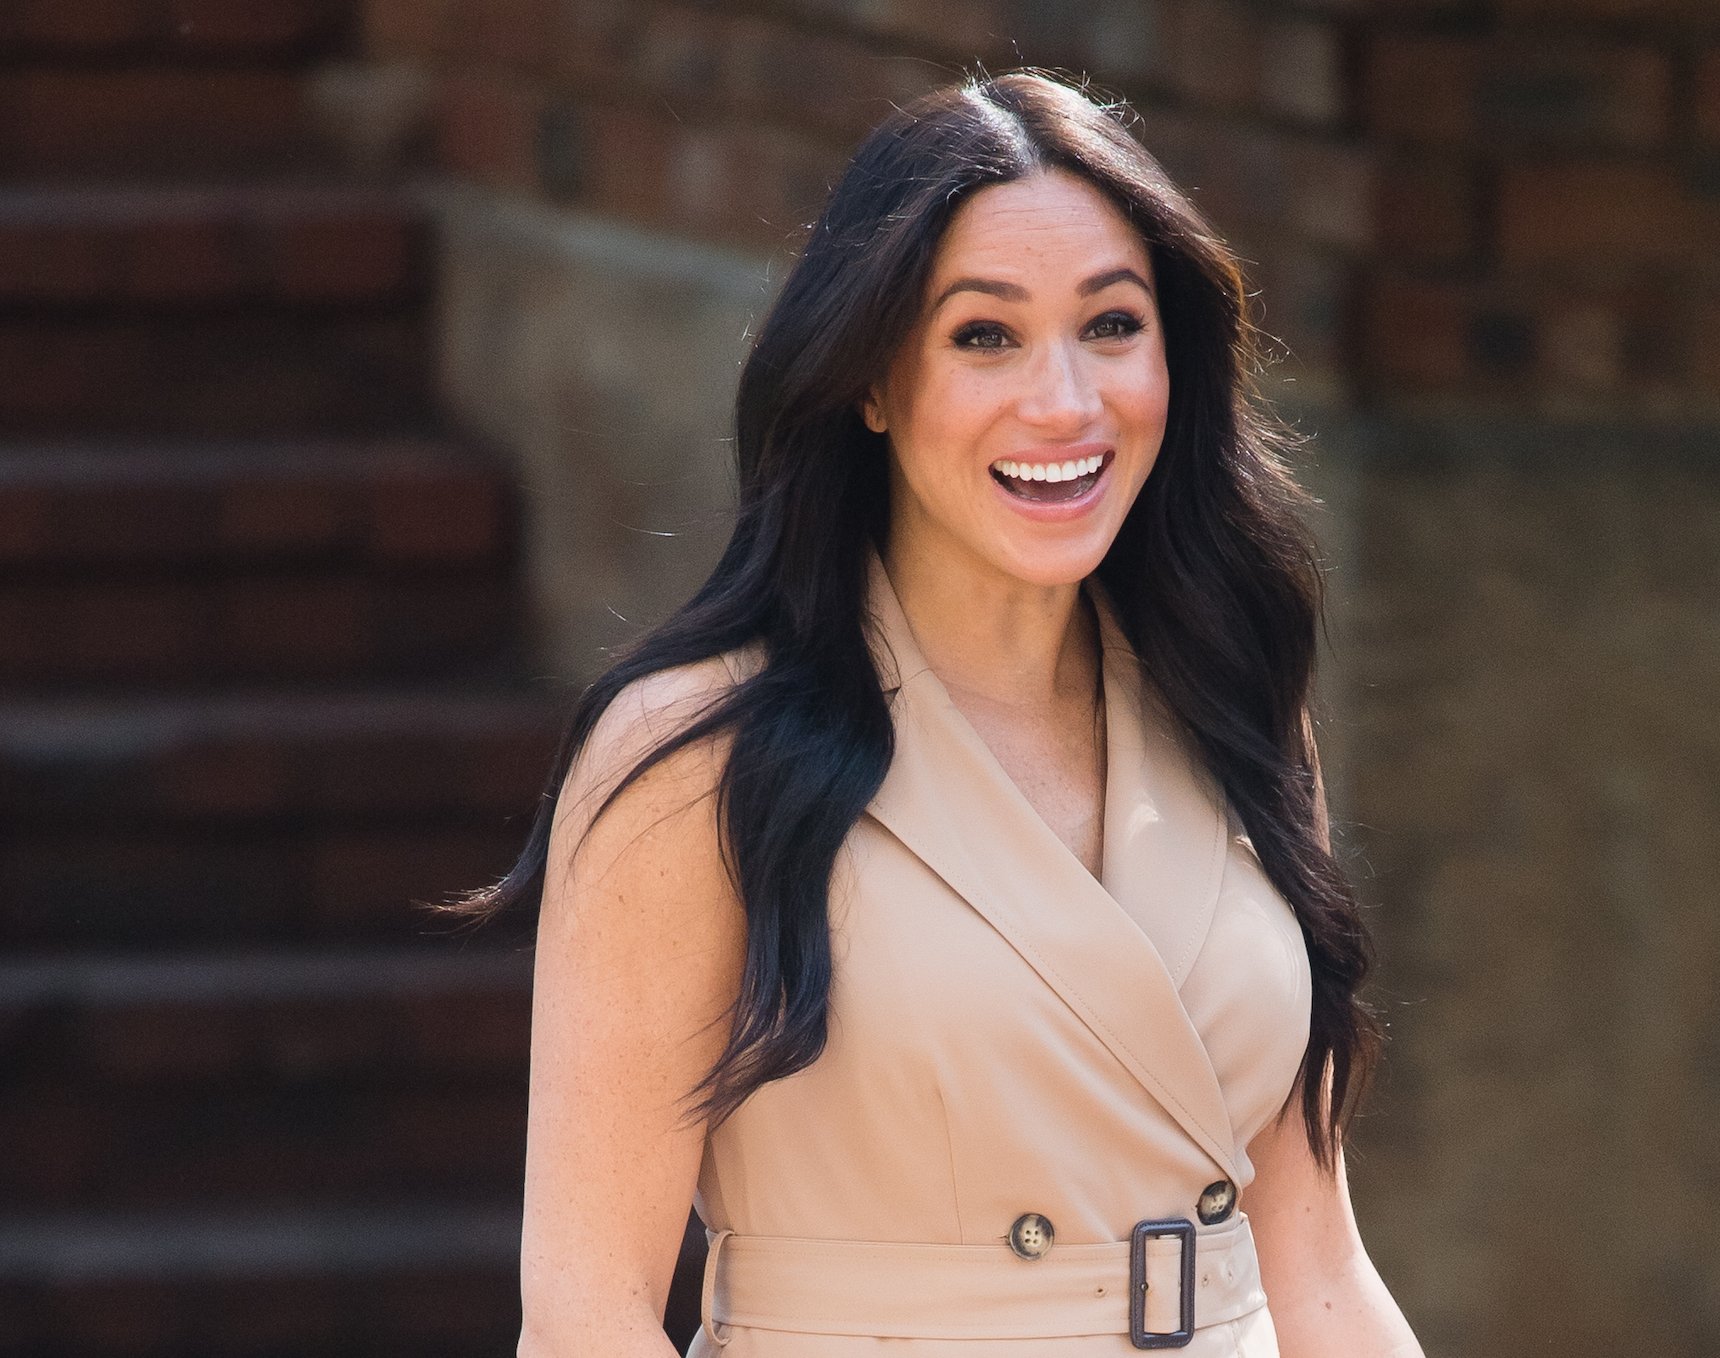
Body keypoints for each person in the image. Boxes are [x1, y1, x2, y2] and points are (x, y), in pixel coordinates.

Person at [461, 69, 1424, 1357]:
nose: (1067, 403)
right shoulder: (692, 757)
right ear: (869, 381)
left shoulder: (1230, 697)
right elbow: (589, 1313)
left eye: (1112, 326)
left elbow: (1316, 1262)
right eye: (985, 335)